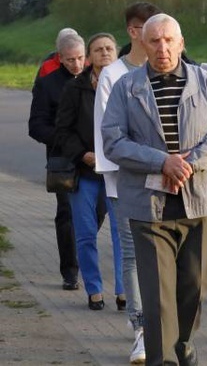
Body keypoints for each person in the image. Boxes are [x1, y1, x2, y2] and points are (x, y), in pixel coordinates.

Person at [102, 13, 207, 365]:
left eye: (169, 40)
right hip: (148, 209)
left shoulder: (204, 83)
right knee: (158, 298)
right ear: (142, 45)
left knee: (195, 287)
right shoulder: (126, 88)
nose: (162, 48)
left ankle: (184, 343)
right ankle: (164, 359)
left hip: (198, 203)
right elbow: (113, 142)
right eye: (154, 41)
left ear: (181, 42)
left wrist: (188, 161)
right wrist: (162, 161)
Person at [93, 1, 162, 364]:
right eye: (149, 31)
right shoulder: (113, 75)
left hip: (167, 181)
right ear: (134, 32)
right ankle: (141, 330)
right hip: (125, 183)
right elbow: (109, 135)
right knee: (134, 255)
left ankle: (166, 326)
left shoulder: (167, 70)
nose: (158, 41)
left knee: (166, 255)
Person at [55, 33, 124, 311]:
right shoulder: (75, 88)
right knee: (85, 233)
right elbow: (63, 130)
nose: (104, 53)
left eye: (109, 48)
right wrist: (84, 154)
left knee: (122, 233)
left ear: (116, 53)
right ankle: (94, 289)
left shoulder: (126, 83)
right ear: (89, 57)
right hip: (86, 172)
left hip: (118, 172)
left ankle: (123, 290)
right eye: (98, 49)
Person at [29, 31, 90, 291]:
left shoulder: (97, 80)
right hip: (63, 161)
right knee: (66, 213)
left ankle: (84, 252)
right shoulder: (48, 84)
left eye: (80, 58)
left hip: (94, 159)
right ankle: (70, 271)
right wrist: (64, 140)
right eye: (70, 60)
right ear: (59, 58)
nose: (76, 64)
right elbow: (36, 126)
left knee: (94, 213)